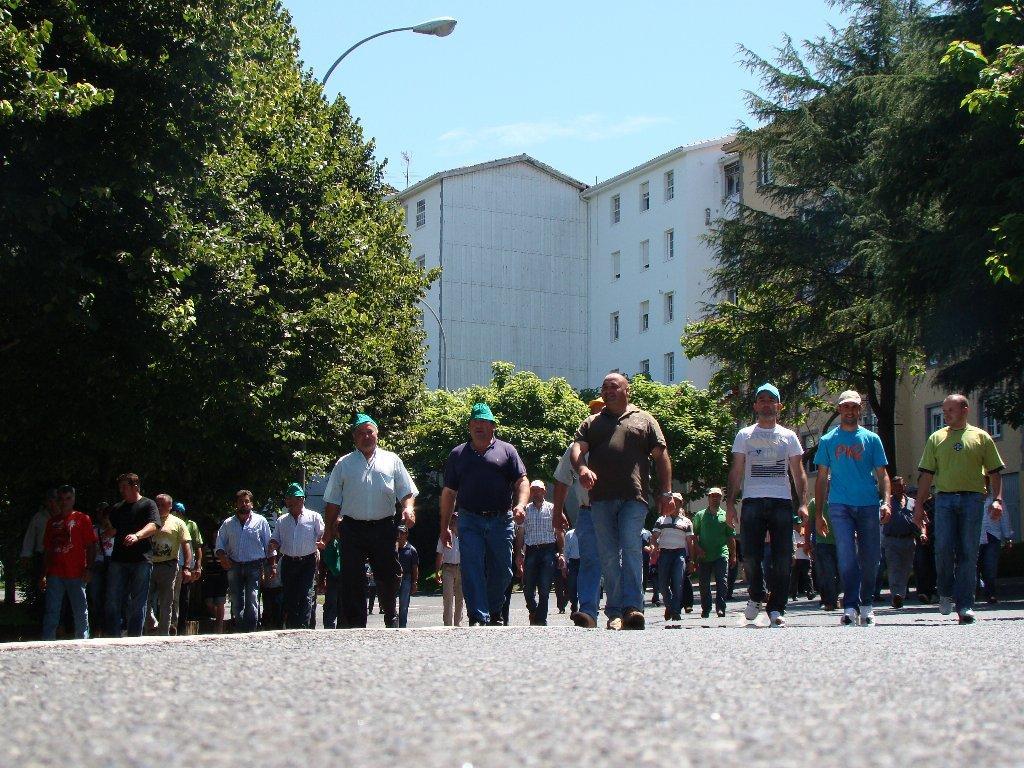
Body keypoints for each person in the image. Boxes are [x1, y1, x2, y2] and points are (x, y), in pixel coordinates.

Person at [572, 373, 674, 630]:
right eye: (604, 387)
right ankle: (615, 612)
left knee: (630, 547)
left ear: (627, 390)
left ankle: (633, 609)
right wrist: (582, 469)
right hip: (601, 498)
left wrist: (666, 492)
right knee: (607, 555)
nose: (607, 391)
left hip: (634, 496)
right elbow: (577, 449)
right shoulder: (592, 422)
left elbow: (661, 456)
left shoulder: (644, 418)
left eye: (613, 386)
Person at [913, 394, 1004, 624]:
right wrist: (919, 505)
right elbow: (926, 475)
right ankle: (944, 591)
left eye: (950, 411)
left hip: (973, 500)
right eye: (943, 411)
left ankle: (965, 606)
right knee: (943, 548)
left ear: (965, 409)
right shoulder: (936, 438)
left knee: (968, 553)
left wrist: (997, 499)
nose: (945, 415)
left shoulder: (981, 437)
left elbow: (994, 472)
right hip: (944, 500)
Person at [324, 413, 418, 629]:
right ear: (354, 438)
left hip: (383, 526)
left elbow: (407, 492)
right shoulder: (344, 464)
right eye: (361, 434)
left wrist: (409, 509)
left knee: (388, 574)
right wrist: (328, 531)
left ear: (377, 434)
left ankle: (390, 615)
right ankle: (356, 623)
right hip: (352, 528)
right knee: (352, 577)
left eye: (370, 432)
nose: (366, 437)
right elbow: (331, 501)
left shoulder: (391, 459)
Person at [727, 383, 808, 628]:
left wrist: (803, 503)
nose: (766, 404)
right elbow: (737, 470)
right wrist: (730, 503)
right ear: (755, 406)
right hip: (752, 501)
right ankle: (756, 595)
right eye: (761, 400)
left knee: (783, 557)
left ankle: (776, 608)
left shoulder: (789, 436)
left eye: (770, 400)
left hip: (781, 502)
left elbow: (798, 472)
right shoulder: (745, 435)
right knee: (750, 555)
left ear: (779, 406)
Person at [440, 403, 528, 626]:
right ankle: (478, 616)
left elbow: (522, 480)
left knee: (503, 570)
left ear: (493, 426)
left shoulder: (507, 450)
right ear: (469, 426)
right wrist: (444, 528)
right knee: (472, 567)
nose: (479, 426)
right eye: (475, 422)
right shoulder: (458, 454)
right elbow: (449, 492)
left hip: (501, 519)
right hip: (469, 519)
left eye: (484, 422)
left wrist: (520, 505)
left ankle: (493, 609)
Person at [813, 390, 890, 627]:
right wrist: (818, 515)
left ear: (860, 410)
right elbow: (822, 478)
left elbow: (882, 474)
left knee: (871, 557)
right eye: (845, 407)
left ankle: (866, 604)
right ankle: (849, 606)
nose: (850, 411)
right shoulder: (828, 440)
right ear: (839, 410)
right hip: (839, 505)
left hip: (868, 504)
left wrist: (886, 501)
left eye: (854, 407)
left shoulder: (871, 438)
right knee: (846, 556)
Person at [553, 398, 606, 628]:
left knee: (619, 561)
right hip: (588, 511)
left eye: (601, 412)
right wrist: (557, 511)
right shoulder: (575, 449)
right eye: (593, 412)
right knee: (589, 562)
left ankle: (621, 610)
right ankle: (588, 611)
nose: (597, 416)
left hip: (617, 510)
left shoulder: (620, 444)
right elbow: (563, 479)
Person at [105, 473, 161, 637]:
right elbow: (114, 529)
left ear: (135, 486)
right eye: (120, 487)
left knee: (138, 601)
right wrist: (106, 533)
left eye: (124, 487)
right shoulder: (117, 508)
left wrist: (137, 535)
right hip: (118, 559)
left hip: (141, 560)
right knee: (113, 599)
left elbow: (154, 525)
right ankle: (113, 636)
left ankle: (135, 637)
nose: (121, 490)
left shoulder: (148, 504)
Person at [41, 485, 98, 640]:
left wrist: (89, 568)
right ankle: (47, 641)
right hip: (55, 573)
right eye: (61, 499)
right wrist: (44, 574)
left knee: (80, 609)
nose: (64, 502)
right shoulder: (52, 522)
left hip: (77, 572)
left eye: (68, 498)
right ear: (57, 501)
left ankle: (83, 640)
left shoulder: (83, 519)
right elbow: (47, 549)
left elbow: (91, 545)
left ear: (73, 499)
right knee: (52, 610)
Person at [215, 490, 273, 633]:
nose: (244, 504)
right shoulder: (228, 523)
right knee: (236, 600)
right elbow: (220, 544)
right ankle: (240, 631)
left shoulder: (261, 521)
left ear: (251, 504)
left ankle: (251, 631)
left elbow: (269, 545)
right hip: (234, 565)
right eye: (241, 501)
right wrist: (222, 557)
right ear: (236, 504)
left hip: (255, 565)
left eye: (247, 501)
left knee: (252, 599)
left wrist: (272, 565)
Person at [269, 483, 324, 629]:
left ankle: (303, 627)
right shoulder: (282, 520)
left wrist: (322, 542)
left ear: (301, 500)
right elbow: (276, 538)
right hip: (288, 562)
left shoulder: (314, 517)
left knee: (305, 595)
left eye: (291, 499)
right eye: (287, 499)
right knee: (289, 596)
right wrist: (273, 544)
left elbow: (322, 535)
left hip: (307, 561)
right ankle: (292, 627)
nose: (288, 502)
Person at [517, 480, 560, 626]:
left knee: (544, 587)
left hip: (548, 549)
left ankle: (540, 620)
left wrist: (562, 553)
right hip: (531, 550)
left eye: (539, 490)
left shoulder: (552, 508)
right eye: (533, 490)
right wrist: (518, 554)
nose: (536, 493)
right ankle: (533, 610)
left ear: (544, 491)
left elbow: (559, 531)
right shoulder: (526, 510)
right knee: (528, 588)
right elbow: (521, 532)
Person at [148, 494, 193, 635]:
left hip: (169, 566)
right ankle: (151, 624)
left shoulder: (178, 523)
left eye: (162, 504)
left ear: (170, 506)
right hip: (149, 565)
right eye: (157, 504)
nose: (159, 507)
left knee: (167, 601)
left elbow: (187, 545)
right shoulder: (149, 520)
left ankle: (164, 631)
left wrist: (187, 567)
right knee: (143, 598)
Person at [691, 487, 736, 619]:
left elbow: (731, 537)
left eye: (717, 496)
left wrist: (733, 555)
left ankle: (721, 608)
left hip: (721, 554)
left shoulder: (726, 515)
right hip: (704, 555)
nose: (715, 498)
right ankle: (706, 608)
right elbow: (693, 536)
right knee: (704, 583)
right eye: (712, 496)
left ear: (721, 498)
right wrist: (697, 550)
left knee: (721, 581)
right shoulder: (700, 515)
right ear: (708, 498)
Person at [652, 492, 694, 622]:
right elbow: (654, 537)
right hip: (665, 553)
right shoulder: (661, 519)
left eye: (678, 501)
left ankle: (675, 612)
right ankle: (669, 606)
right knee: (663, 584)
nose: (674, 503)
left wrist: (691, 560)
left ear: (681, 503)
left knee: (678, 583)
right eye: (672, 500)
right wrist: (654, 547)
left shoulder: (686, 522)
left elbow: (690, 542)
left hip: (679, 554)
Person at [21, 489, 59, 619]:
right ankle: (41, 617)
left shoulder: (65, 516)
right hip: (41, 555)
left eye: (54, 500)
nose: (52, 503)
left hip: (59, 555)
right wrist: (26, 554)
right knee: (41, 587)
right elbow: (30, 536)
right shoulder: (39, 517)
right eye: (49, 501)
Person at [882, 476, 918, 609]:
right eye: (895, 486)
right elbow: (880, 519)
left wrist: (922, 532)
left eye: (900, 485)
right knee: (894, 567)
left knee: (906, 568)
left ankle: (900, 594)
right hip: (892, 539)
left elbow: (920, 517)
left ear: (904, 486)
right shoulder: (887, 503)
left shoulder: (912, 502)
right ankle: (896, 595)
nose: (898, 488)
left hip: (908, 539)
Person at [978, 491, 1014, 604]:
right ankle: (974, 593)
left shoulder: (997, 500)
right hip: (976, 536)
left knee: (990, 566)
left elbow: (1004, 518)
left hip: (993, 536)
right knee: (974, 566)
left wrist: (1008, 536)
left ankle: (990, 593)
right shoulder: (971, 499)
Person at [174, 502, 204, 635]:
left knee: (184, 597)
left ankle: (181, 627)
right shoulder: (168, 522)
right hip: (172, 563)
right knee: (171, 596)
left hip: (187, 565)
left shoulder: (191, 525)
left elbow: (198, 546)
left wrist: (198, 565)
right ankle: (171, 624)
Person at [805, 499, 839, 610]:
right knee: (826, 573)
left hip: (841, 542)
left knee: (841, 573)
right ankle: (829, 601)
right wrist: (807, 542)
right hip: (822, 543)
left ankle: (834, 597)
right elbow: (808, 523)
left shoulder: (841, 498)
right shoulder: (815, 502)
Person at [87, 502, 114, 636]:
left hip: (113, 565)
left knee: (111, 597)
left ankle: (110, 628)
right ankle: (96, 628)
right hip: (98, 564)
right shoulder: (94, 530)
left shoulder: (117, 531)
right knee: (96, 597)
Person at [436, 511, 464, 626]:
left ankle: (458, 623)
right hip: (448, 568)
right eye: (452, 519)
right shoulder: (444, 535)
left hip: (461, 568)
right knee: (448, 597)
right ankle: (447, 624)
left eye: (456, 520)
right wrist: (437, 571)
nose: (453, 522)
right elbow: (439, 554)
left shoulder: (464, 535)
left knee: (460, 598)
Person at [321, 533, 345, 629]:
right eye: (336, 526)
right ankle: (329, 628)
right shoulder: (331, 543)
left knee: (343, 605)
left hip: (345, 577)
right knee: (331, 604)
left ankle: (343, 628)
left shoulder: (348, 542)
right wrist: (322, 580)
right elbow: (324, 562)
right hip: (333, 577)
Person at [397, 525, 419, 628]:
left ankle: (402, 626)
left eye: (402, 533)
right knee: (390, 603)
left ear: (406, 534)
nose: (400, 535)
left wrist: (414, 582)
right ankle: (391, 624)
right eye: (398, 533)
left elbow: (415, 567)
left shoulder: (411, 550)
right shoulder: (393, 548)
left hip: (406, 578)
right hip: (394, 578)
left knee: (404, 604)